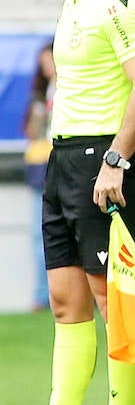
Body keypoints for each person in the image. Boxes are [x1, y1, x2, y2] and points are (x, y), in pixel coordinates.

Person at [2, 0, 135, 405]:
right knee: (66, 302)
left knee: (114, 300)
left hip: (104, 161)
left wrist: (115, 159)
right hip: (64, 159)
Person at [23, 43, 56, 312]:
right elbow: (31, 131)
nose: (49, 69)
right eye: (44, 65)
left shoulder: (72, 90)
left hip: (63, 162)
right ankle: (42, 293)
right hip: (39, 166)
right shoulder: (38, 95)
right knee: (38, 234)